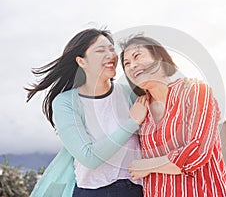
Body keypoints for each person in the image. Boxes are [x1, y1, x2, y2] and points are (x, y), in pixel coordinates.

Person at [25, 28, 147, 197]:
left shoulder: (130, 93)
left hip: (136, 188)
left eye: (112, 49)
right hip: (94, 192)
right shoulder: (66, 102)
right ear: (81, 62)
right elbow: (88, 157)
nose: (110, 55)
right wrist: (132, 123)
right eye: (100, 50)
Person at [120, 35, 226, 196]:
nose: (132, 65)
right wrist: (132, 122)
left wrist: (147, 165)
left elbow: (196, 153)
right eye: (126, 64)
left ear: (159, 58)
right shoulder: (139, 110)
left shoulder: (196, 91)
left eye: (137, 56)